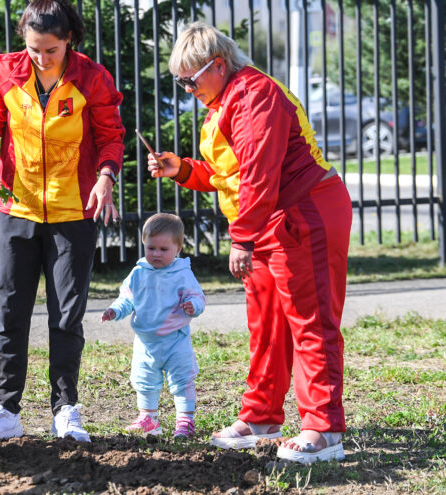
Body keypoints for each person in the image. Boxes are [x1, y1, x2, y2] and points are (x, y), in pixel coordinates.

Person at [147, 22, 351, 464]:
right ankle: (262, 415)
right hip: (268, 222)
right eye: (180, 81)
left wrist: (242, 238)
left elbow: (260, 173)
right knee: (268, 326)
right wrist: (180, 169)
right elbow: (229, 175)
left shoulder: (255, 95)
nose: (186, 89)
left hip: (304, 214)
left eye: (190, 79)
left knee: (311, 322)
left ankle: (325, 427)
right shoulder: (224, 99)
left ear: (217, 65)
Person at [0, 0, 125, 443]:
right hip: (15, 208)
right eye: (34, 48)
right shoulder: (5, 70)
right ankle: (6, 408)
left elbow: (111, 135)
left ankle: (66, 409)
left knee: (66, 314)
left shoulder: (92, 77)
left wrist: (106, 176)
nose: (41, 58)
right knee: (10, 310)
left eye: (50, 50)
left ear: (68, 40)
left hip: (74, 210)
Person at [100, 213, 205, 439]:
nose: (156, 254)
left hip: (175, 340)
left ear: (177, 249)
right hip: (146, 342)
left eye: (163, 249)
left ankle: (185, 420)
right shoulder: (138, 273)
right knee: (144, 380)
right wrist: (115, 311)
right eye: (151, 248)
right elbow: (127, 299)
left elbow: (198, 297)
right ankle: (148, 418)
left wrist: (192, 306)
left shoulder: (182, 273)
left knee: (182, 378)